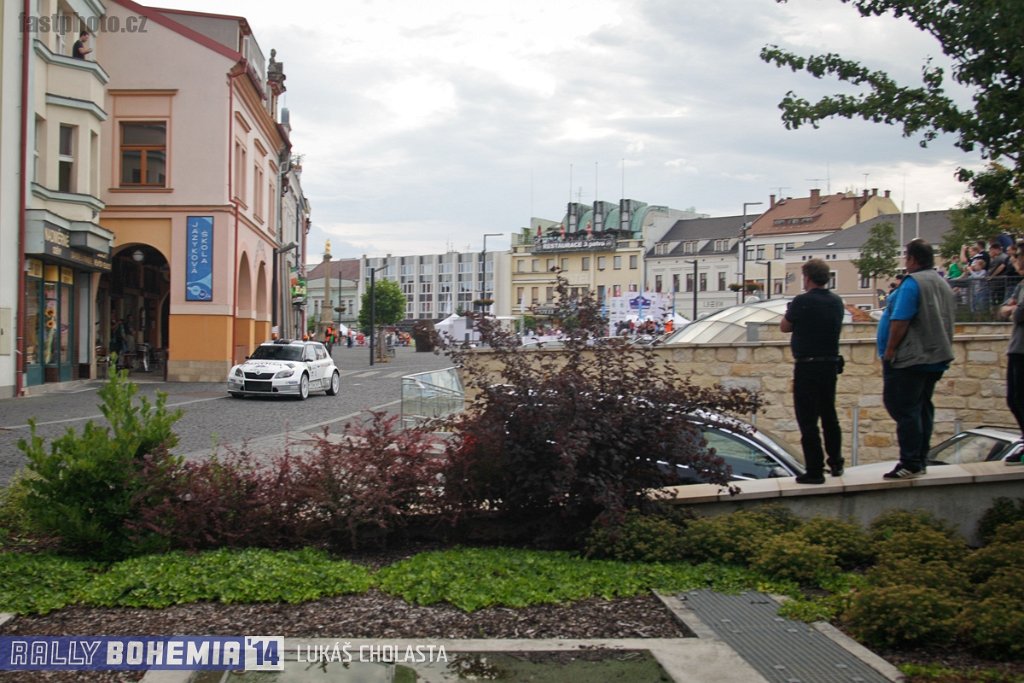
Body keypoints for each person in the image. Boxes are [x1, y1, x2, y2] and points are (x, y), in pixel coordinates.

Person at [877, 238, 956, 479]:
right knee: (922, 407)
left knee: (903, 406)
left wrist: (890, 351)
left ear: (912, 259)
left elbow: (900, 320)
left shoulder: (913, 283)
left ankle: (910, 461)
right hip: (934, 357)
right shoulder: (942, 283)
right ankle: (920, 458)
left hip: (911, 358)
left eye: (906, 257)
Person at [780, 258, 846, 484]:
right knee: (829, 415)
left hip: (807, 365)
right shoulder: (836, 301)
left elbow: (785, 327)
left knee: (808, 419)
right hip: (830, 364)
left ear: (807, 278)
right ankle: (836, 462)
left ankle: (815, 470)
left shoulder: (802, 301)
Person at [999, 281, 1024, 448]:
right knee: (1013, 399)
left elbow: (1018, 315)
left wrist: (1013, 309)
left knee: (1019, 398)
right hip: (1016, 349)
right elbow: (1002, 311)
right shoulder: (1021, 285)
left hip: (1021, 350)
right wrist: (1012, 308)